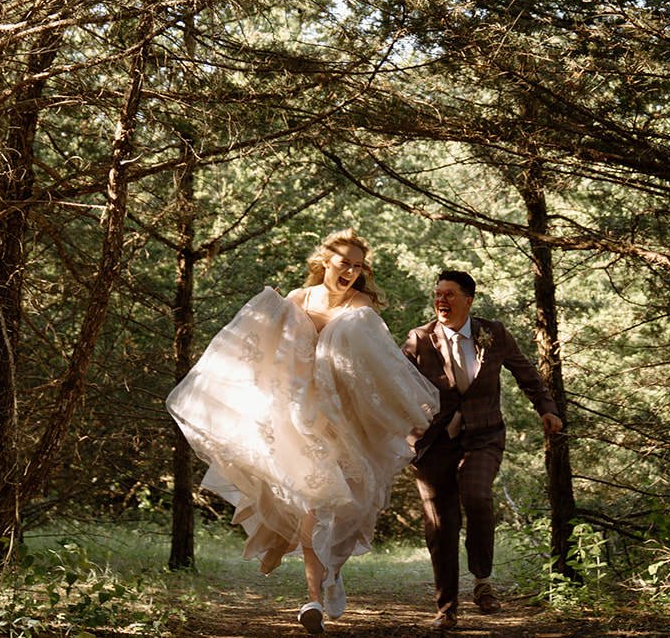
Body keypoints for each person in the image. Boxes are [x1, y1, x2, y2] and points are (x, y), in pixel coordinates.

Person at [166, 230, 438, 635]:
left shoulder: (361, 307)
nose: (350, 271)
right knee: (313, 508)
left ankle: (332, 576)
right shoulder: (296, 299)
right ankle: (312, 595)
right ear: (324, 261)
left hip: (343, 422)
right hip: (297, 418)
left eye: (358, 265)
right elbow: (269, 351)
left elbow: (376, 368)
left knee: (344, 508)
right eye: (344, 262)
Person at [403, 269, 565, 630]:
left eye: (450, 295)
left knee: (476, 494)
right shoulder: (419, 339)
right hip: (432, 442)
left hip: (484, 435)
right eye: (437, 295)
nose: (441, 301)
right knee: (440, 524)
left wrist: (547, 409)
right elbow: (394, 384)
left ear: (468, 300)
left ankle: (482, 581)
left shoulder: (494, 333)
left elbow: (526, 374)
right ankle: (447, 609)